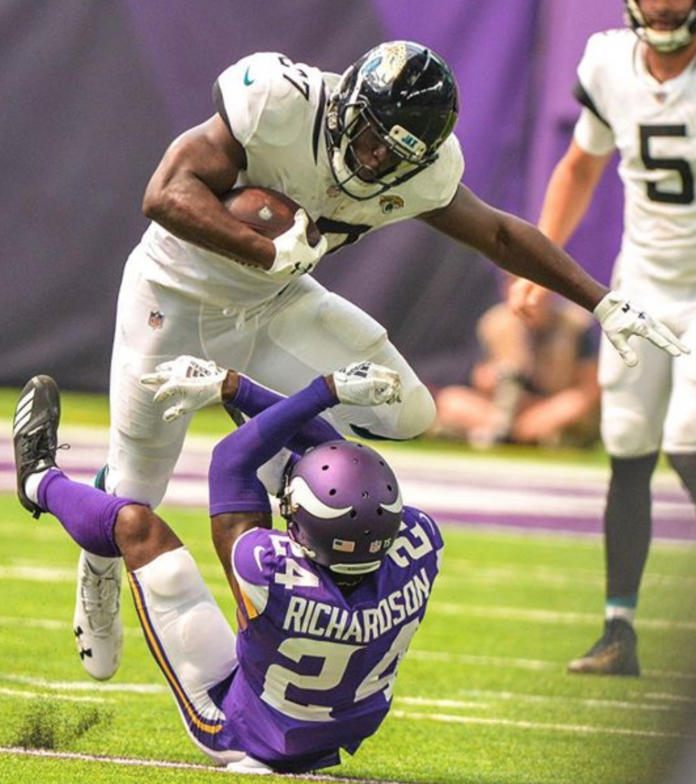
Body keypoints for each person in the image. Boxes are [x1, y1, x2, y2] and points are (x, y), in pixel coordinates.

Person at [75, 38, 688, 681]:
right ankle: (98, 567)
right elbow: (164, 193)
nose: (374, 161)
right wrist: (265, 251)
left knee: (407, 408)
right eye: (371, 139)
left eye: (396, 155)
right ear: (348, 106)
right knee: (135, 495)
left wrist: (601, 302)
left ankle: (265, 434)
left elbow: (500, 233)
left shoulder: (423, 170)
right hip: (173, 295)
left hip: (274, 305)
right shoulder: (279, 102)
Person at [12, 360, 444, 774]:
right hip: (337, 724)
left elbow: (232, 460)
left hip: (239, 730)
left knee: (136, 527)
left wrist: (301, 390)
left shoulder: (266, 566)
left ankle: (37, 481)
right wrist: (243, 395)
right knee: (285, 463)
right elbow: (337, 457)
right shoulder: (422, 544)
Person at [508, 0, 696, 676]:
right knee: (629, 449)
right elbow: (579, 166)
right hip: (642, 282)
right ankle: (618, 631)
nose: (666, 9)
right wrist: (539, 260)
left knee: (688, 439)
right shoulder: (609, 60)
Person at [431, 292, 600, 448]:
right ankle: (510, 435)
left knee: (571, 410)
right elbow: (479, 376)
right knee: (452, 401)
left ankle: (512, 435)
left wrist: (543, 415)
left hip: (551, 408)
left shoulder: (574, 324)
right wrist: (496, 378)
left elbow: (589, 389)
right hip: (504, 410)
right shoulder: (496, 323)